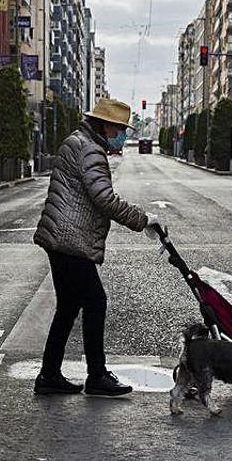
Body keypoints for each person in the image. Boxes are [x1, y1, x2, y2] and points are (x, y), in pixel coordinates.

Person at [32, 98, 159, 397]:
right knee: (95, 302)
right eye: (120, 129)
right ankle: (97, 376)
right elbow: (103, 198)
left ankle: (50, 375)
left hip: (60, 237)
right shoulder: (90, 150)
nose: (123, 135)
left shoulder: (79, 141)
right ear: (106, 125)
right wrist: (143, 220)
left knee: (68, 307)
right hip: (69, 239)